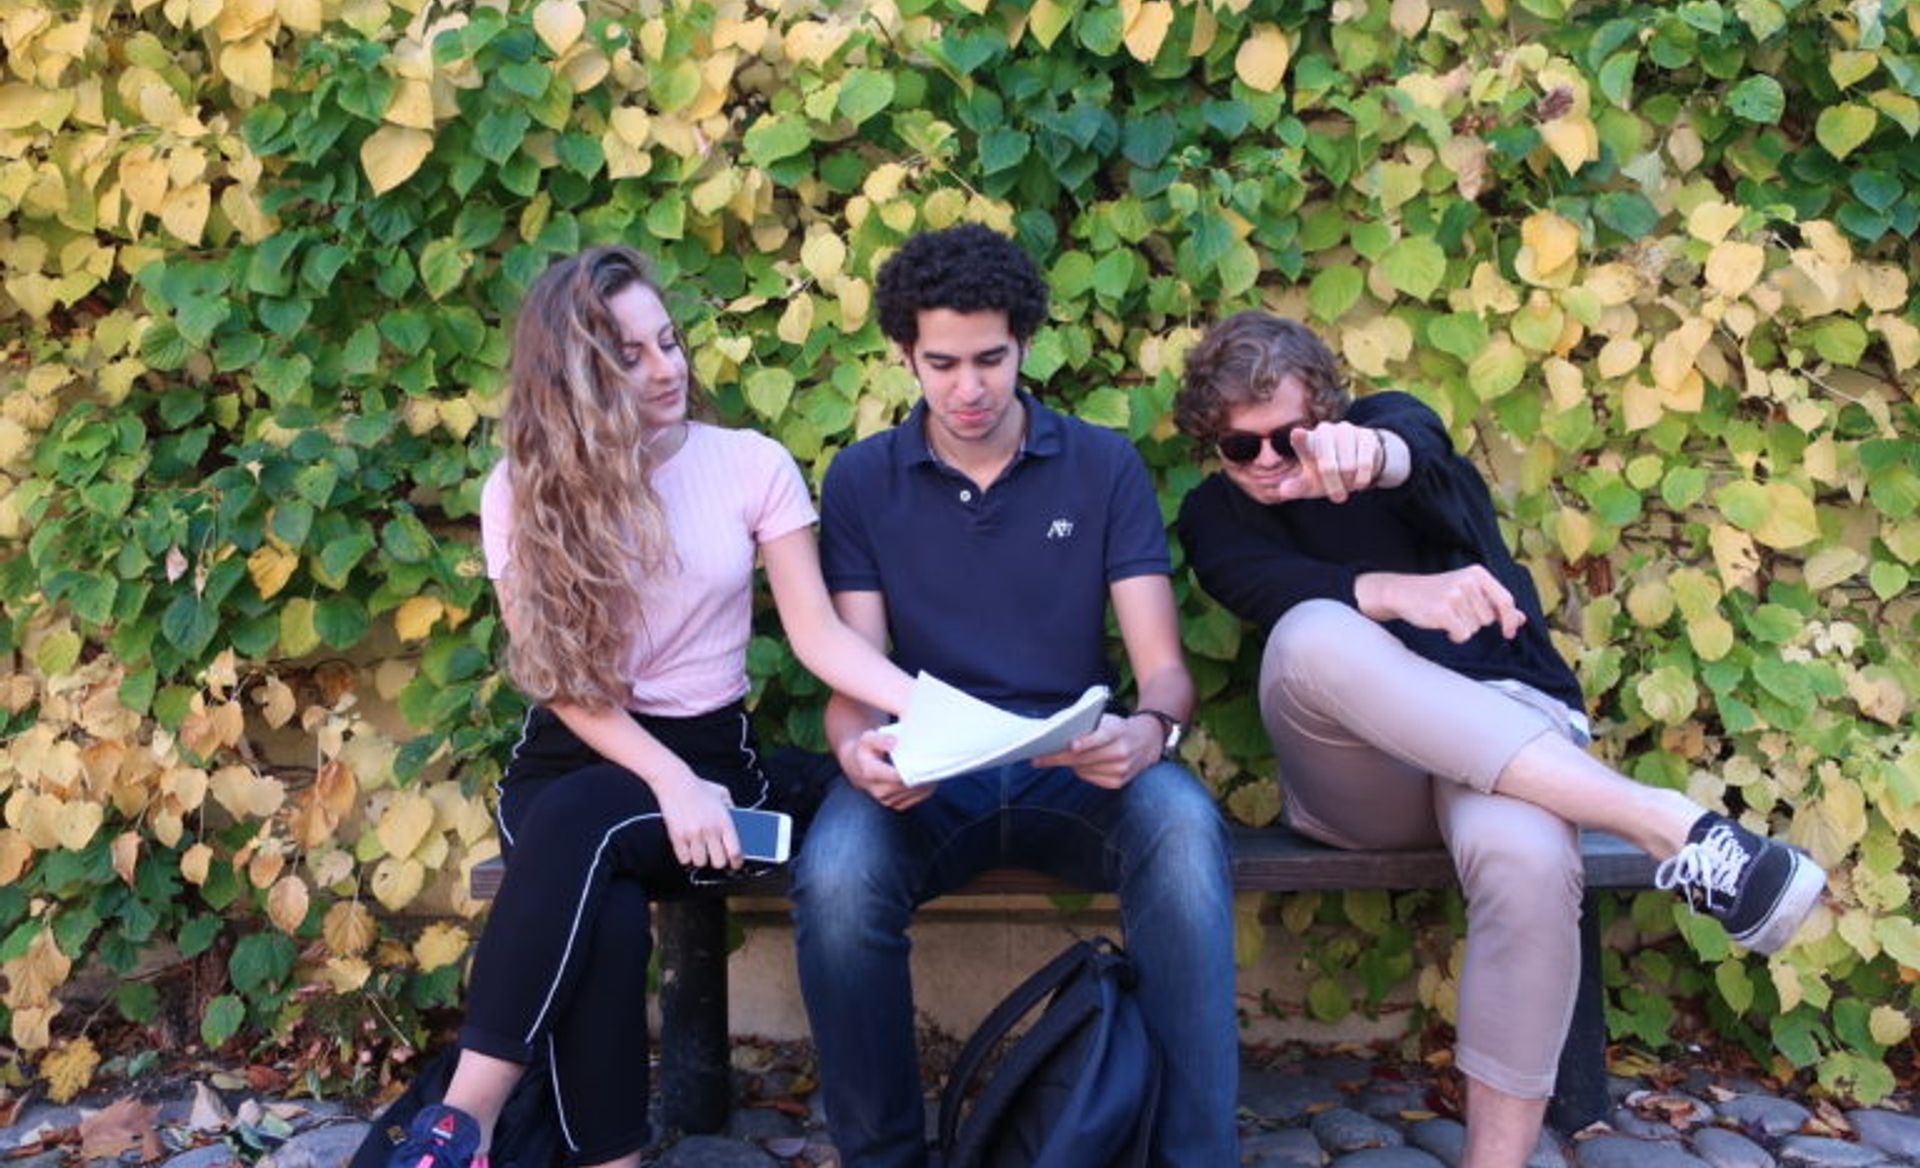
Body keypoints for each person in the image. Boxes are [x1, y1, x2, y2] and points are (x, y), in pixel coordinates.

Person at [1172, 310, 1827, 1168]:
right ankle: (1666, 823)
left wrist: (1365, 458)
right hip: (1366, 773)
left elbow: (1413, 453)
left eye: (1289, 439)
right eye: (1240, 447)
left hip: (1511, 730)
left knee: (1526, 859)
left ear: (1329, 414)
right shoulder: (1212, 519)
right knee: (1308, 634)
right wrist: (1404, 596)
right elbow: (1280, 596)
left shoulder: (1391, 431)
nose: (1267, 462)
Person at [387, 245, 916, 1168]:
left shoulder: (749, 463)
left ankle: (462, 1119)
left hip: (713, 766)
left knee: (583, 829)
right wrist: (663, 780)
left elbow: (820, 639)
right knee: (602, 889)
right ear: (575, 376)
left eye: (667, 342)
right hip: (576, 751)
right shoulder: (520, 490)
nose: (667, 369)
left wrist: (948, 713)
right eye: (628, 357)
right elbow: (558, 680)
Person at [790, 223, 1240, 1168]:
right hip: (932, 778)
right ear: (906, 354)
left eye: (991, 358)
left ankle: (1195, 1157)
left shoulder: (1102, 464)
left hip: (1074, 768)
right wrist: (855, 752)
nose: (969, 387)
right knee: (835, 874)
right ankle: (886, 1158)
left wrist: (1150, 731)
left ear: (1025, 343)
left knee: (1185, 829)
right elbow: (851, 677)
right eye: (942, 362)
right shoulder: (866, 478)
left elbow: (1163, 670)